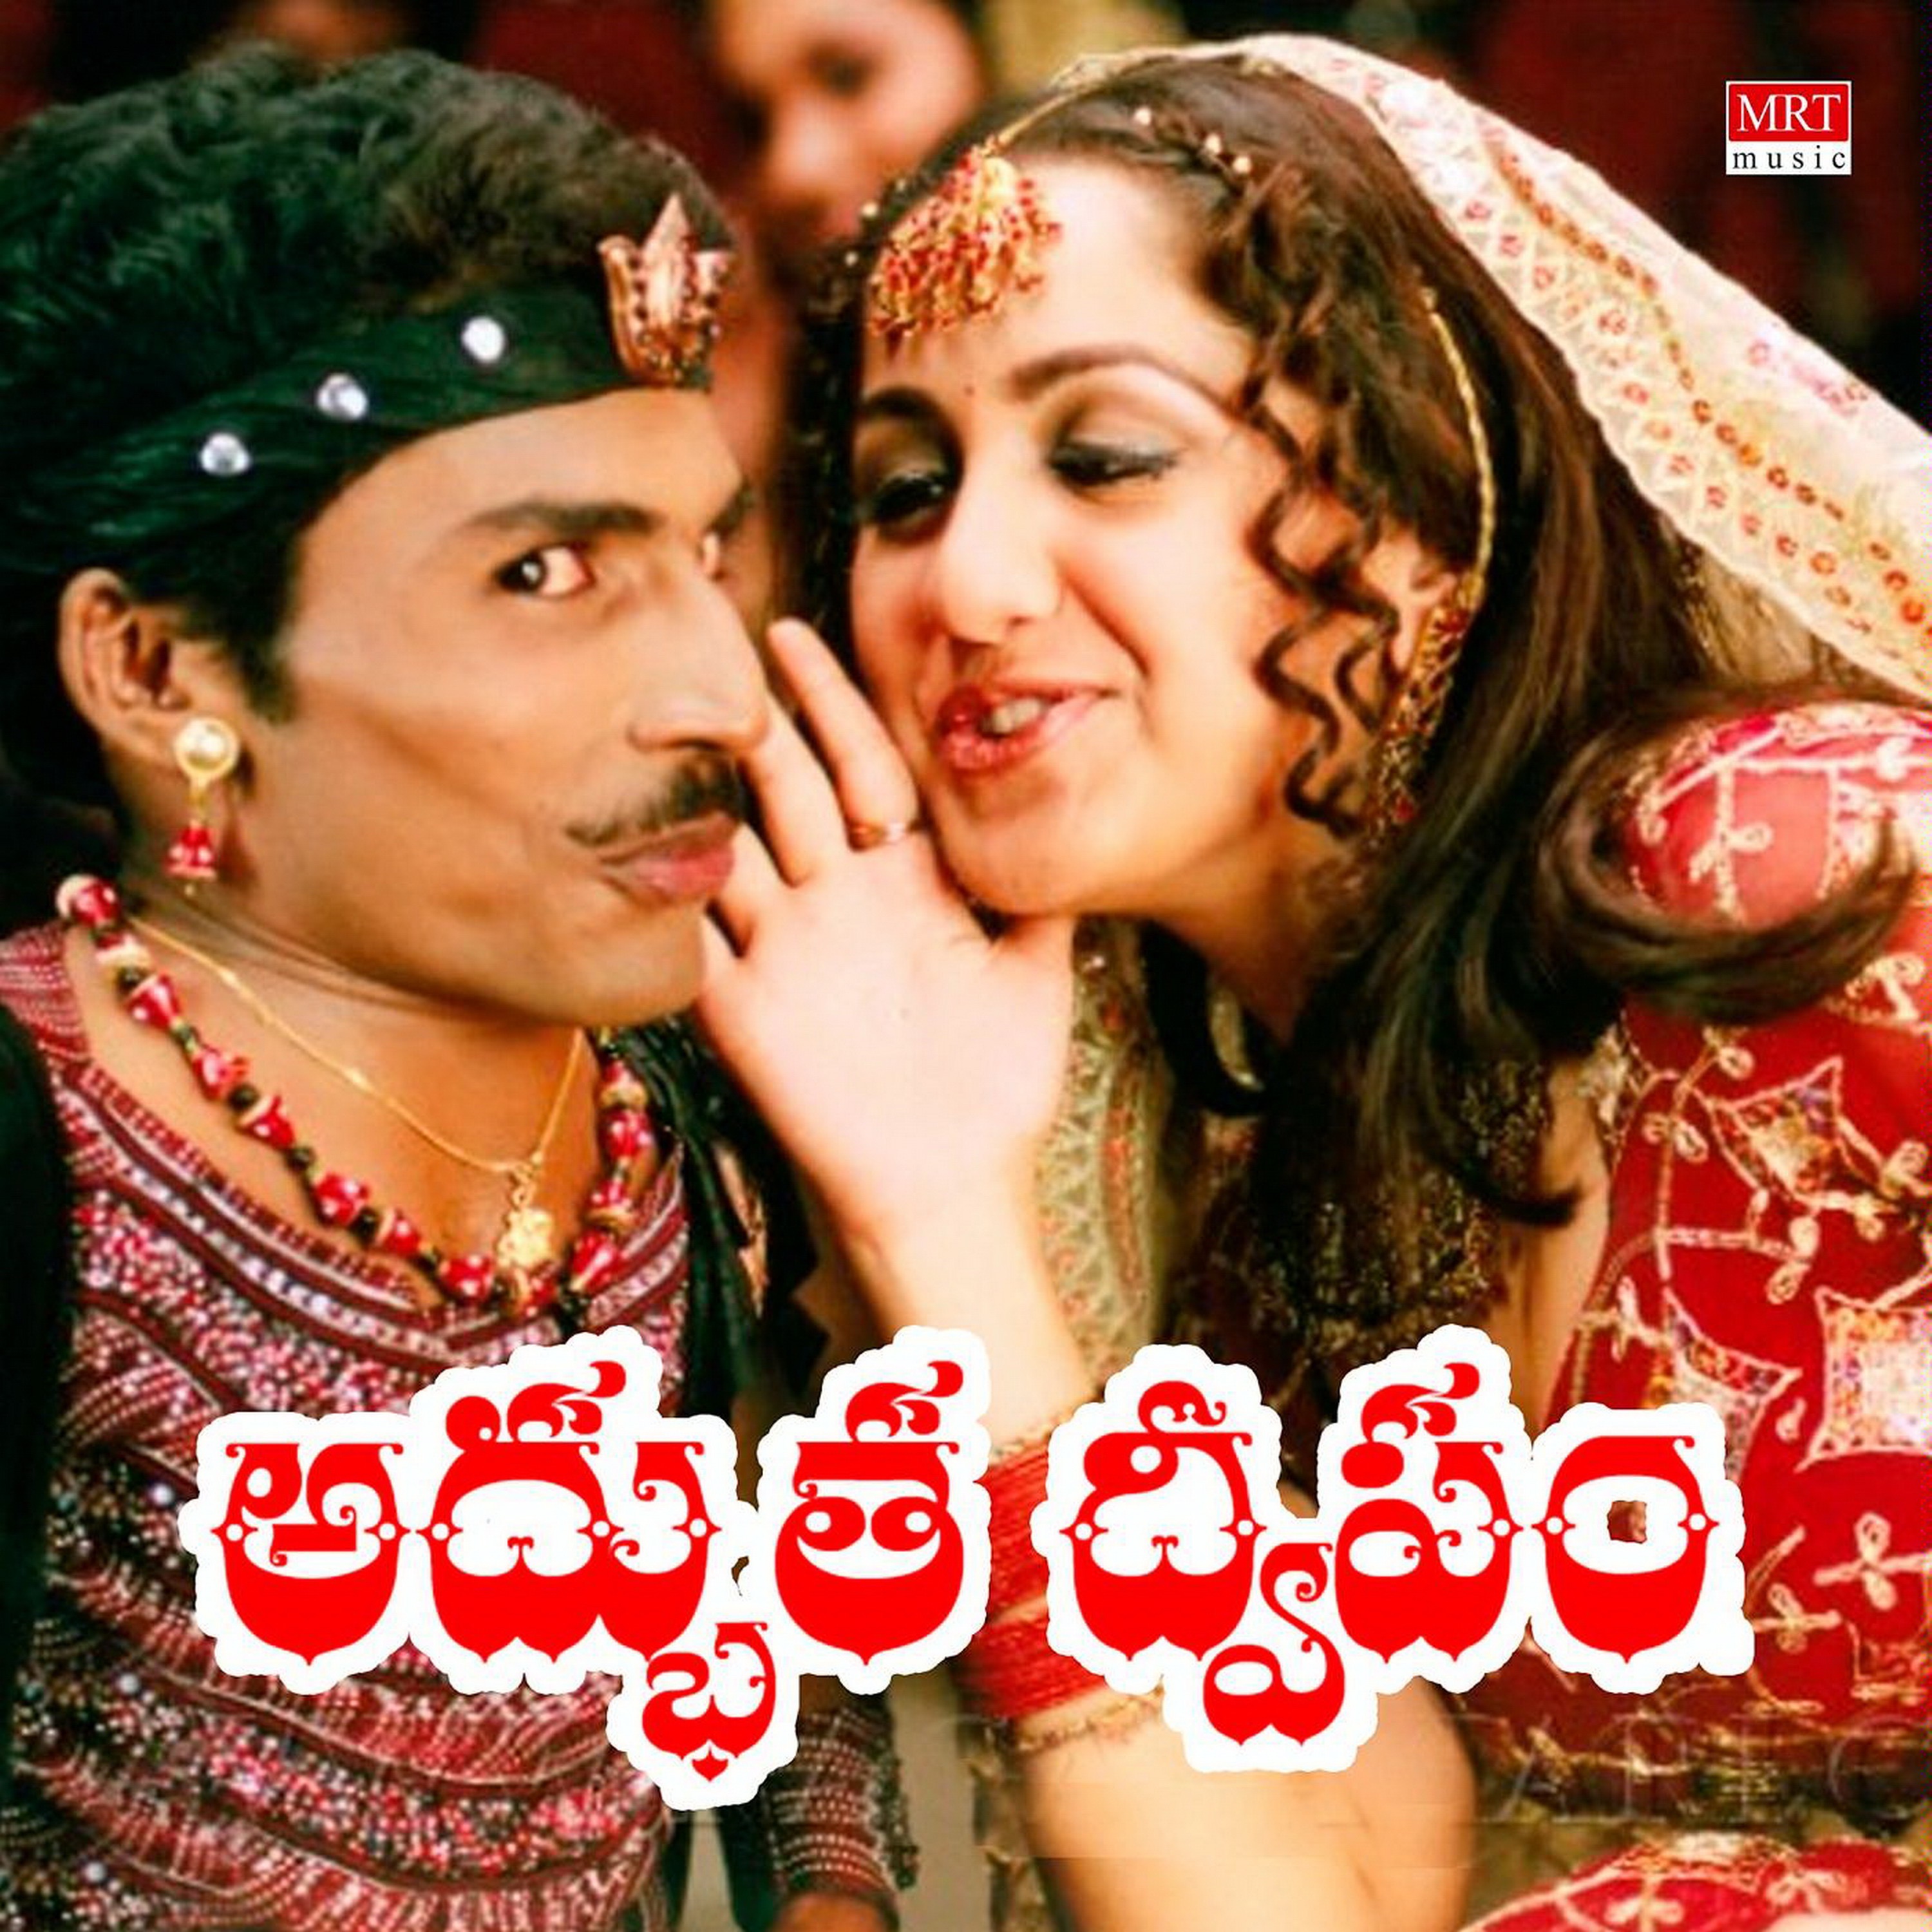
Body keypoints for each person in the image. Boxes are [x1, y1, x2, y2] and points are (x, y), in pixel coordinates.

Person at [697, 32, 1932, 1932]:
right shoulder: (1247, 1254)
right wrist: (940, 1221)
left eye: (1105, 456)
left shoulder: (1797, 880)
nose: (968, 586)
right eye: (906, 488)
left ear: (1421, 507)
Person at [0, 47, 911, 1931]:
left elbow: (774, 1591)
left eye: (708, 550)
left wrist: (831, 1892)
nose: (718, 692)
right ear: (161, 673)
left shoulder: (686, 1085)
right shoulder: (48, 1151)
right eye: (549, 571)